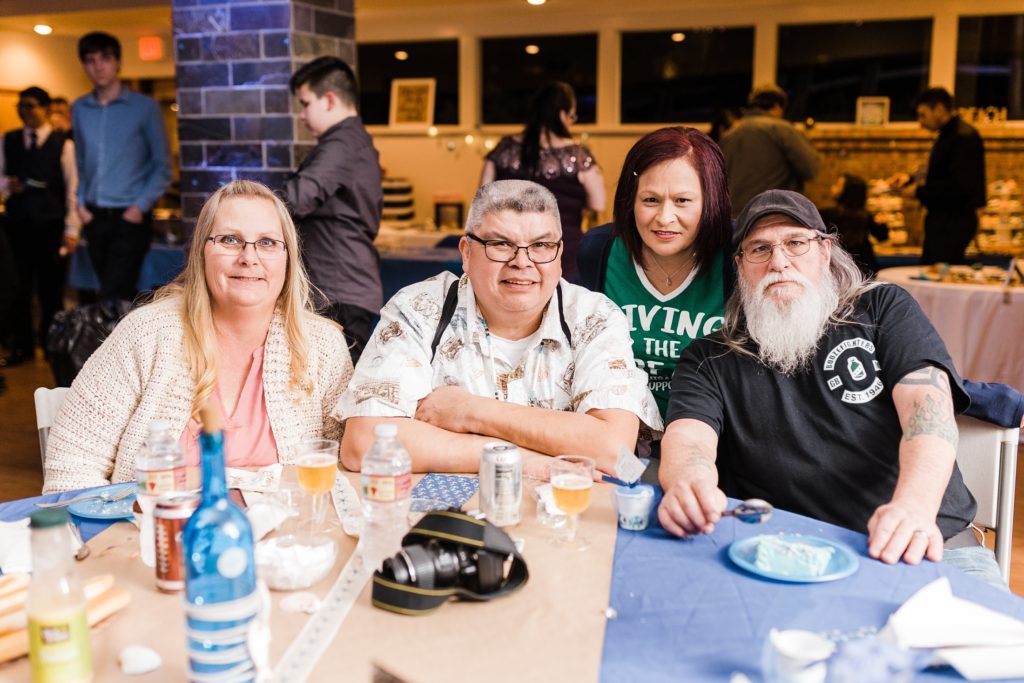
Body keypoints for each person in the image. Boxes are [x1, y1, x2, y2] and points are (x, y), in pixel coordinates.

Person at [657, 189, 1003, 588]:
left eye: (796, 243)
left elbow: (929, 412)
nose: (779, 262)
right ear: (740, 266)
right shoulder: (707, 359)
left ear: (825, 251)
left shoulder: (883, 309)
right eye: (759, 249)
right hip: (792, 559)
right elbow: (689, 443)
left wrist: (913, 507)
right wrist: (690, 483)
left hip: (932, 546)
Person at [336, 180, 661, 479]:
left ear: (560, 255)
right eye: (501, 244)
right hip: (450, 520)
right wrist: (526, 460)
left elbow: (615, 452)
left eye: (541, 245)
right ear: (466, 252)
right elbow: (364, 444)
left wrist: (468, 411)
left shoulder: (595, 316)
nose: (522, 261)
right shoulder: (418, 309)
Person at [43, 180, 353, 493]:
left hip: (286, 537)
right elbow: (70, 469)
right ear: (200, 251)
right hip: (154, 535)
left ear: (288, 258)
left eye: (268, 242)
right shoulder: (146, 335)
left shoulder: (322, 347)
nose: (249, 257)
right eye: (231, 240)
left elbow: (342, 477)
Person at [576, 127, 733, 421]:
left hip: (713, 438)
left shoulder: (739, 256)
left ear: (711, 202)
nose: (664, 218)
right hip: (621, 437)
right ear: (630, 200)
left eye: (682, 201)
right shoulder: (599, 252)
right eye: (650, 200)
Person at [284, 56, 383, 363]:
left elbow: (296, 199)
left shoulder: (341, 143)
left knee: (336, 397)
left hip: (339, 292)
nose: (302, 115)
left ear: (328, 99)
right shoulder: (351, 140)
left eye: (305, 103)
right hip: (344, 287)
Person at [72, 31, 171, 301]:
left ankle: (114, 343)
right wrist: (80, 204)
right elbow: (80, 161)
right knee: (101, 292)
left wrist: (139, 207)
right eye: (90, 60)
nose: (98, 66)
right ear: (84, 65)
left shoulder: (144, 107)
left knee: (115, 294)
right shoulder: (79, 108)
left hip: (129, 217)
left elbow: (162, 165)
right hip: (92, 215)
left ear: (118, 62)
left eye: (105, 58)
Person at [480, 82, 605, 281]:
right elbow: (598, 203)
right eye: (572, 116)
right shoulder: (578, 156)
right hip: (561, 250)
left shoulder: (504, 150)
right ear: (563, 114)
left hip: (508, 250)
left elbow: (482, 199)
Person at [0, 86, 80, 366]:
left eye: (30, 105)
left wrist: (72, 230)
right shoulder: (7, 140)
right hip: (17, 225)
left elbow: (73, 189)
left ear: (45, 108)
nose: (24, 111)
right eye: (20, 106)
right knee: (17, 287)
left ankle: (52, 346)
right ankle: (21, 346)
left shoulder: (64, 144)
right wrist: (8, 185)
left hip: (51, 225)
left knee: (51, 290)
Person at [891, 88, 985, 265]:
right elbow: (941, 174)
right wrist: (910, 180)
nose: (921, 123)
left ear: (939, 109)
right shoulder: (950, 135)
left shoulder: (962, 137)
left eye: (923, 115)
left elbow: (959, 187)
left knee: (938, 275)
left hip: (952, 222)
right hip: (946, 220)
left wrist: (918, 191)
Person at [720, 84, 819, 216]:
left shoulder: (729, 135)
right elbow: (811, 169)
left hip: (736, 219)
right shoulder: (784, 130)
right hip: (774, 217)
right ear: (777, 106)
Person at [819, 173, 888, 276]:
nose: (833, 187)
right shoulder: (866, 216)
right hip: (864, 266)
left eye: (838, 185)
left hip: (836, 266)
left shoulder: (826, 214)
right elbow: (882, 236)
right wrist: (883, 223)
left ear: (847, 191)